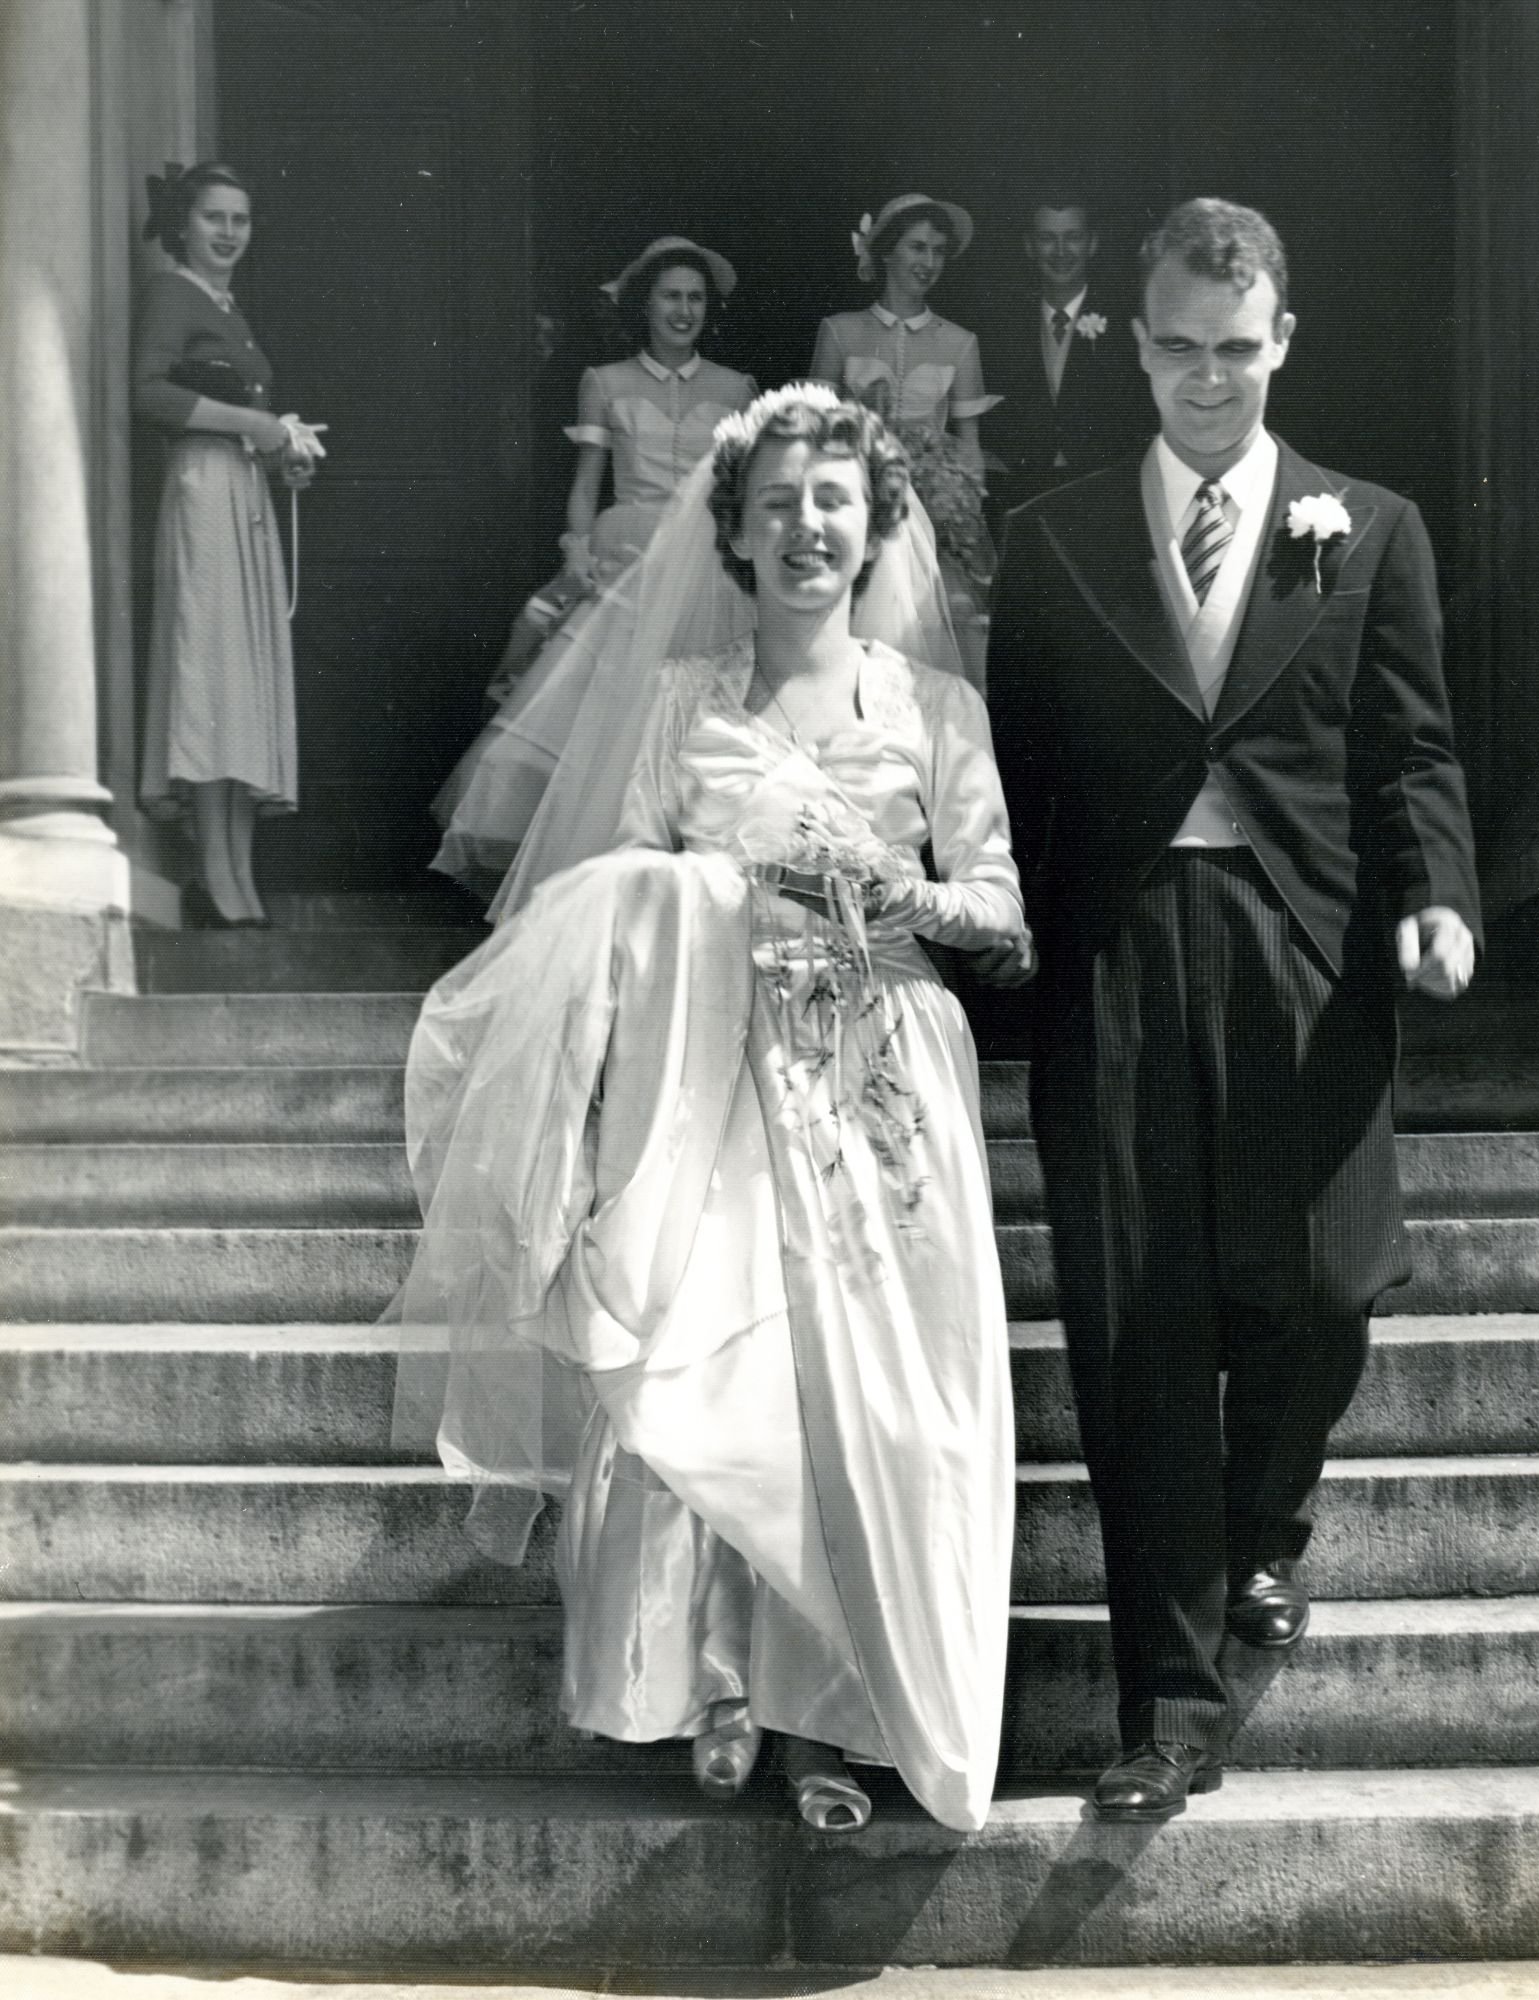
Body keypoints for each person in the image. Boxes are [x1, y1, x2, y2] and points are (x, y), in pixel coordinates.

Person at [392, 385, 1033, 1834]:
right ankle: (722, 1682)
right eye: (774, 507)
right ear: (732, 534)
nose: (805, 529)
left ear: (873, 526)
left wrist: (890, 890)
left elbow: (1000, 914)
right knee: (714, 1369)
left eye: (831, 503)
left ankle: (841, 1720)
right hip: (708, 1068)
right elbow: (609, 896)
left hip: (874, 1068)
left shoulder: (933, 707)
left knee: (872, 1401)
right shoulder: (681, 700)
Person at [987, 199, 1482, 1822]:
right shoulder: (1053, 540)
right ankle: (1169, 1713)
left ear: (1282, 340)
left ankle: (1269, 1525)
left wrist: (1437, 897)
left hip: (1304, 949)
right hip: (1119, 952)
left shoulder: (1371, 529)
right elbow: (1010, 780)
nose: (1207, 383)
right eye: (1178, 352)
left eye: (1236, 351)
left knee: (1327, 1283)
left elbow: (1405, 749)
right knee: (1141, 1336)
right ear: (1136, 347)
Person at [430, 237, 755, 896]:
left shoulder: (736, 387)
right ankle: (587, 874)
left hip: (705, 569)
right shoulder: (605, 382)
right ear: (645, 305)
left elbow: (738, 490)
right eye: (670, 296)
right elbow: (587, 483)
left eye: (695, 298)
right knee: (601, 712)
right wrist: (577, 551)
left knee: (693, 713)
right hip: (628, 553)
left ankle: (676, 864)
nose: (683, 311)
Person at [134, 162, 326, 928]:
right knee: (212, 674)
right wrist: (256, 427)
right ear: (184, 224)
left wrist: (284, 455)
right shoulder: (170, 293)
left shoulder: (227, 309)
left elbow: (244, 419)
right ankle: (214, 874)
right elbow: (149, 393)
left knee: (240, 681)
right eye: (214, 218)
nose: (227, 233)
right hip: (202, 492)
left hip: (242, 492)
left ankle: (238, 876)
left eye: (240, 220)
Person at [809, 195, 999, 687]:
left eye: (938, 252)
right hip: (856, 507)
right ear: (887, 252)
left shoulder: (960, 343)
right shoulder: (839, 332)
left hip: (931, 522)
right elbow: (811, 438)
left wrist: (961, 518)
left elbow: (970, 448)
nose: (929, 263)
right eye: (918, 248)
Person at [983, 193, 1143, 511]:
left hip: (1106, 495)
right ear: (1029, 246)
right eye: (1047, 238)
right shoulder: (1002, 327)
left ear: (1092, 244)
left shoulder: (1128, 324)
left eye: (1073, 238)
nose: (1060, 252)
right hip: (1023, 496)